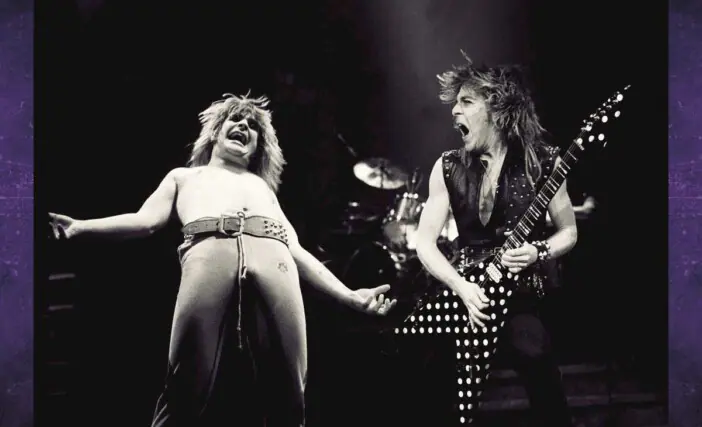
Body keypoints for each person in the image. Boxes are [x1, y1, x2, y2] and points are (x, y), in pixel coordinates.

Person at [49, 93, 396, 427]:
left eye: (253, 125)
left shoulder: (263, 188)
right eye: (235, 118)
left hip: (274, 258)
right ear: (215, 131)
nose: (243, 125)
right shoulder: (183, 177)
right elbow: (145, 221)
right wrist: (80, 227)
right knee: (186, 383)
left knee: (291, 390)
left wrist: (350, 295)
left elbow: (297, 250)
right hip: (207, 252)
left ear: (258, 146)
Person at [407, 55, 579, 426]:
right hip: (464, 294)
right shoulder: (447, 166)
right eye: (455, 103)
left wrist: (538, 251)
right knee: (429, 383)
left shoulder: (544, 163)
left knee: (540, 370)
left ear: (497, 109)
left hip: (519, 298)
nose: (454, 111)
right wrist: (461, 288)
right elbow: (424, 242)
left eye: (466, 102)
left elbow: (569, 230)